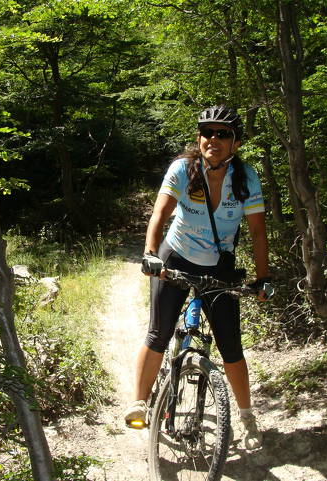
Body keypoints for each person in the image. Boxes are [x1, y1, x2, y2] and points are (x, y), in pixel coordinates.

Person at [123, 105, 271, 450]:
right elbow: (160, 213)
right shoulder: (183, 170)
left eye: (223, 134)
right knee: (158, 333)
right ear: (198, 138)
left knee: (231, 347)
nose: (214, 140)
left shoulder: (246, 178)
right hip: (175, 257)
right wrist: (149, 253)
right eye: (208, 133)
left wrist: (263, 279)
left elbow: (258, 232)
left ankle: (247, 416)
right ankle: (139, 402)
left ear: (235, 142)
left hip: (219, 266)